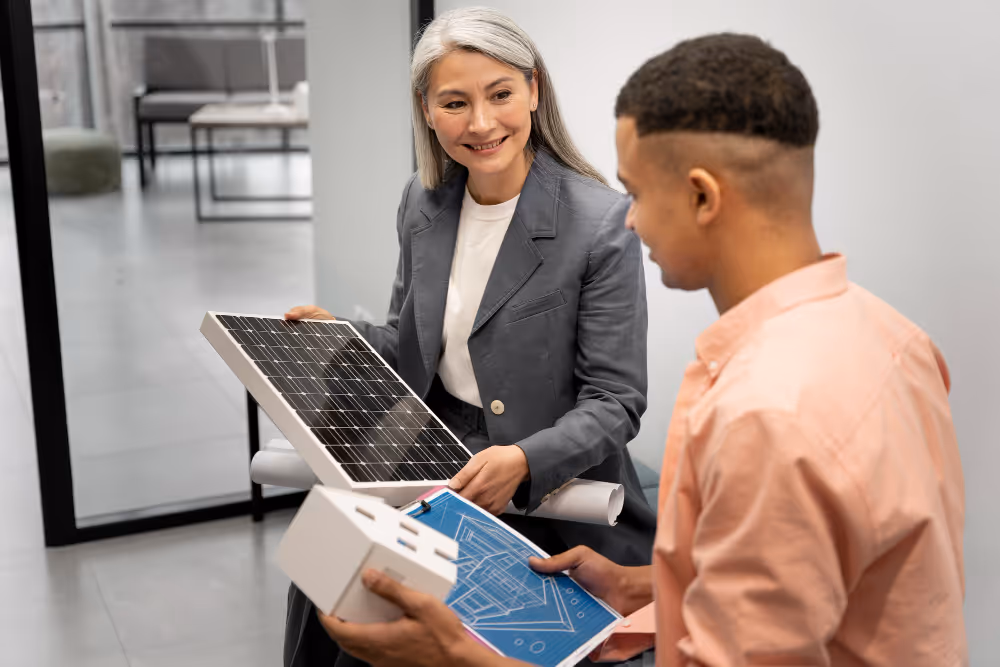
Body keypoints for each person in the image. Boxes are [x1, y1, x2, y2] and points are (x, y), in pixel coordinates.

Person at [313, 32, 968, 667]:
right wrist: (648, 587)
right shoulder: (895, 339)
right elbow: (813, 585)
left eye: (639, 192)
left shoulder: (760, 416)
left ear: (703, 196)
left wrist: (458, 659)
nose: (627, 216)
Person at [282, 7, 657, 667]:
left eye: (501, 94)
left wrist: (524, 462)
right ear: (427, 110)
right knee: (324, 586)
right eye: (455, 102)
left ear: (534, 90)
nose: (482, 123)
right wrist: (342, 338)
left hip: (546, 496)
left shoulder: (599, 223)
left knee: (401, 632)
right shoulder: (422, 205)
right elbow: (414, 346)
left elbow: (615, 400)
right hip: (434, 464)